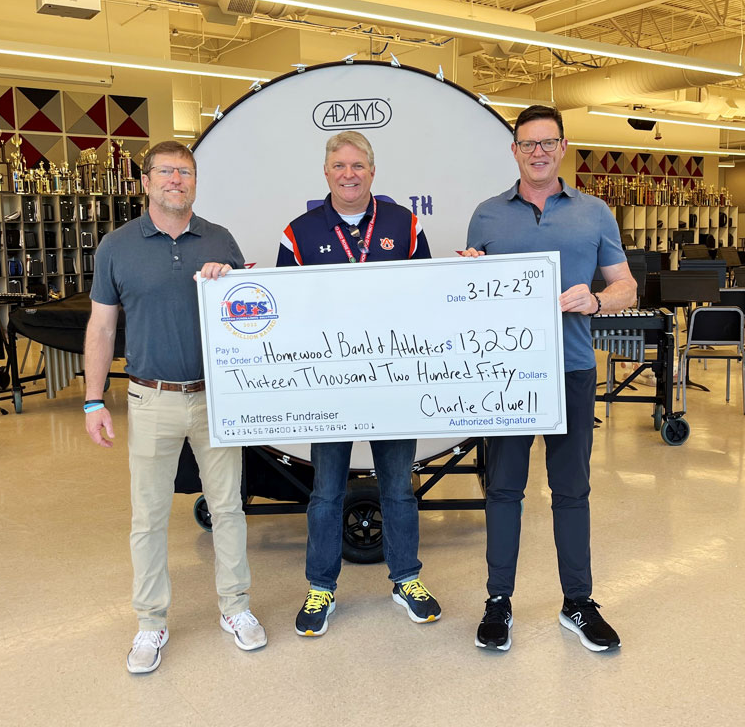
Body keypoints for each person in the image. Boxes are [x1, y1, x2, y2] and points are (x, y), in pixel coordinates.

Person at [84, 140, 266, 674]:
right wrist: (93, 399)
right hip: (150, 397)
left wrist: (228, 281)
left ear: (194, 181)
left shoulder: (220, 239)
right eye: (165, 171)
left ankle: (236, 608)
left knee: (228, 507)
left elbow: (250, 317)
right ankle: (150, 622)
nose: (175, 180)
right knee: (149, 516)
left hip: (215, 398)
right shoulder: (116, 246)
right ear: (145, 181)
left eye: (185, 172)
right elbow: (101, 325)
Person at [465, 106, 636, 653]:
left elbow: (627, 287)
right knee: (505, 489)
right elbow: (473, 299)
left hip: (571, 369)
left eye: (548, 142)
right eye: (527, 143)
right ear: (514, 151)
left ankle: (578, 603)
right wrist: (465, 276)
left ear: (563, 147)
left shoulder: (595, 213)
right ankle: (498, 601)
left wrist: (599, 298)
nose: (537, 152)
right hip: (505, 375)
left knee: (572, 490)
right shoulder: (487, 215)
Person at [276, 130, 441, 636]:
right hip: (330, 386)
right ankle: (321, 587)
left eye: (358, 166)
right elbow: (288, 309)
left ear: (373, 171)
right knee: (325, 493)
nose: (349, 174)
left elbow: (429, 296)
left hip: (391, 382)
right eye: (339, 166)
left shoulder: (404, 223)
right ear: (325, 172)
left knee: (397, 488)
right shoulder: (298, 232)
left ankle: (406, 579)